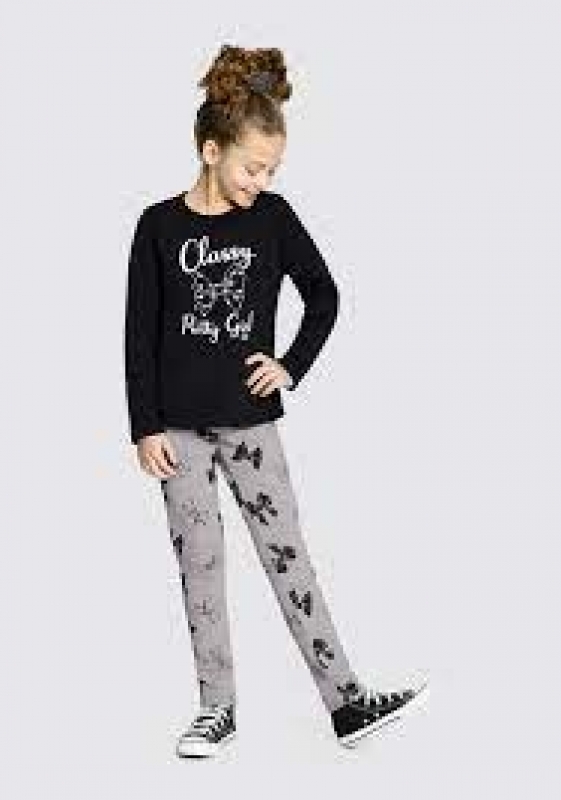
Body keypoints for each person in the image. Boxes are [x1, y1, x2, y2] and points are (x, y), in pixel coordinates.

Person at [124, 44, 427, 758]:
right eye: (252, 169)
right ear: (211, 151)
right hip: (178, 433)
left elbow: (324, 295)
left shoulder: (273, 218)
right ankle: (216, 710)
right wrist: (144, 427)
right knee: (200, 568)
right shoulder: (157, 226)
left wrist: (290, 366)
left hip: (251, 426)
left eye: (271, 171)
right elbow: (137, 335)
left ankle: (346, 703)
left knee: (288, 558)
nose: (261, 183)